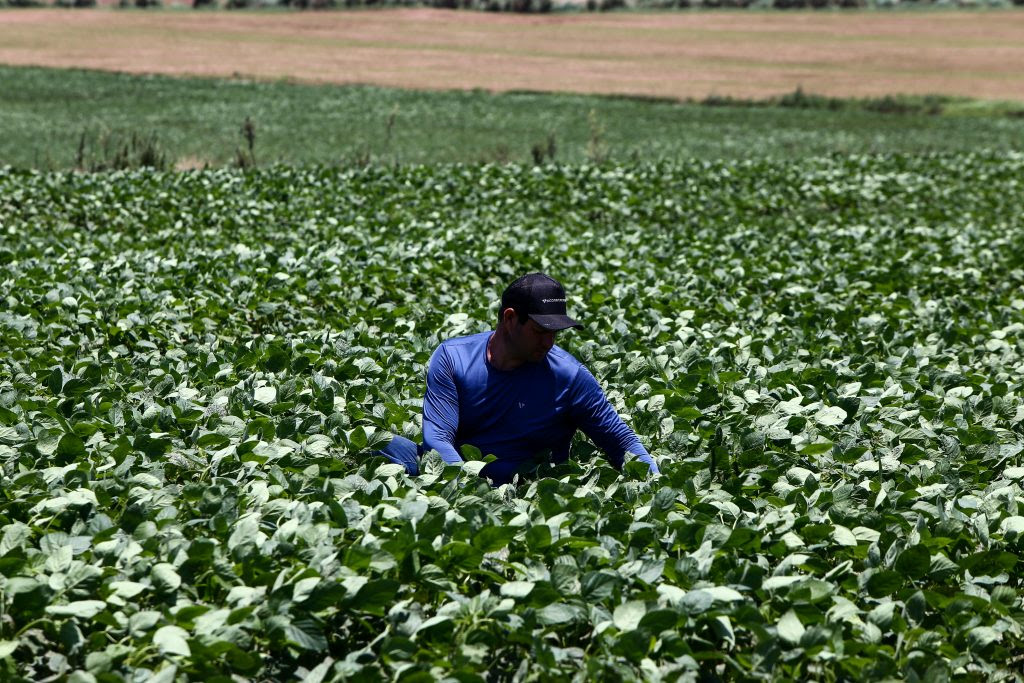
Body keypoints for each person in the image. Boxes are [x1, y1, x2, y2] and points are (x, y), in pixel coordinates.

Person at [380, 272, 659, 485]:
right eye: (540, 331)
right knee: (383, 444)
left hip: (528, 486)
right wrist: (469, 492)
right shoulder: (454, 358)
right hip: (460, 474)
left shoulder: (569, 376)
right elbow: (438, 439)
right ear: (511, 318)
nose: (549, 342)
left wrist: (654, 482)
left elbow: (621, 441)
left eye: (555, 333)